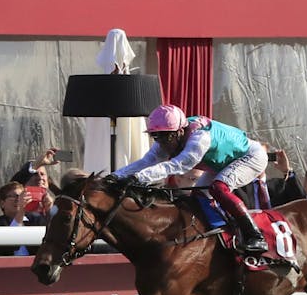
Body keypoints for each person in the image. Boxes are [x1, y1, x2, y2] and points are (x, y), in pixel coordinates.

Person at [112, 104, 269, 253]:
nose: (162, 143)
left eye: (167, 137)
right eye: (156, 137)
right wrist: (114, 177)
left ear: (180, 131)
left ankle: (256, 236)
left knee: (218, 188)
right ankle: (220, 233)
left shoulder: (200, 138)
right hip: (223, 162)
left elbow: (177, 166)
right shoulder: (165, 139)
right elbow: (146, 162)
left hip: (252, 156)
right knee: (198, 197)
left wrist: (137, 178)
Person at [0, 181, 46, 256]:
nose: (19, 200)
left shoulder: (36, 220)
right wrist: (21, 210)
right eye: (15, 196)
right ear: (2, 203)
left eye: (21, 196)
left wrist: (49, 209)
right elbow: (10, 241)